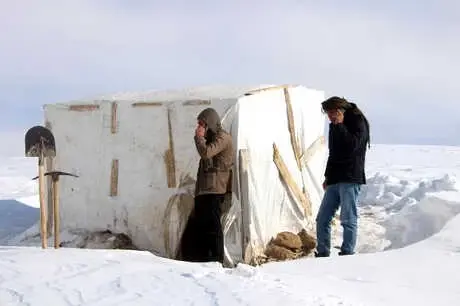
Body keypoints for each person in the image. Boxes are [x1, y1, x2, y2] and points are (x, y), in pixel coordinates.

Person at [315, 96, 370, 257]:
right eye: (328, 114)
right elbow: (333, 153)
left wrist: (339, 125)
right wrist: (327, 177)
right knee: (322, 218)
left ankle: (347, 253)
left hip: (351, 177)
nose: (330, 117)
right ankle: (323, 252)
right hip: (335, 178)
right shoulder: (335, 125)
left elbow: (352, 147)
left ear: (341, 110)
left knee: (348, 218)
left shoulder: (358, 122)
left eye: (333, 113)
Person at [183, 107, 234, 263]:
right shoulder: (211, 139)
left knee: (213, 226)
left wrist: (199, 138)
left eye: (202, 124)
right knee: (202, 225)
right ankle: (203, 257)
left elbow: (206, 153)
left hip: (215, 190)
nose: (199, 127)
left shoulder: (222, 138)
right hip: (204, 190)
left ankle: (216, 258)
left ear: (210, 124)